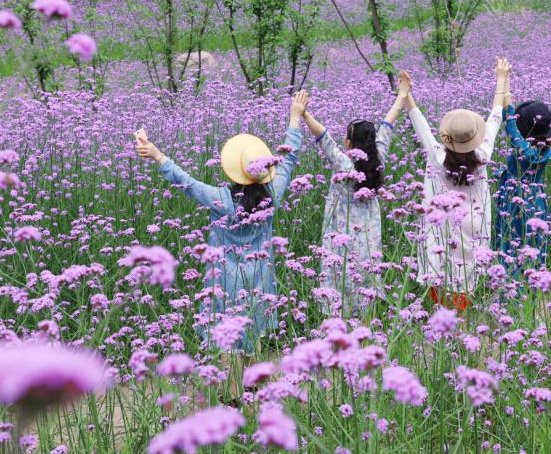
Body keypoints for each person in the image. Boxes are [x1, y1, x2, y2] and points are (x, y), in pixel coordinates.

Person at [134, 91, 309, 352]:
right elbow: (289, 158)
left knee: (225, 341)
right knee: (254, 335)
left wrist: (158, 156)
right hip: (260, 280)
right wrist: (295, 117)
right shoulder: (273, 195)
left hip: (224, 282)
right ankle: (253, 384)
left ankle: (233, 391)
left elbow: (187, 184)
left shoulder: (221, 200)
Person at [301, 71, 411, 316]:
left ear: (350, 143)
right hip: (370, 237)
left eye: (346, 136)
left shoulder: (344, 164)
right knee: (366, 283)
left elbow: (323, 137)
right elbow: (387, 124)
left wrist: (304, 113)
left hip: (343, 235)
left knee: (340, 283)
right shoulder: (378, 157)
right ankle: (366, 328)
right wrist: (402, 95)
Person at [403, 58, 508, 311]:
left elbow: (421, 127)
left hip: (443, 225)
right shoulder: (482, 156)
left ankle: (442, 322)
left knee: (440, 266)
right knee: (466, 272)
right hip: (472, 222)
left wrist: (406, 95)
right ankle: (462, 320)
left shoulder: (438, 156)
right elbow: (495, 116)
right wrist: (502, 77)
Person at [494, 60, 551, 271]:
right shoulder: (549, 144)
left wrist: (505, 78)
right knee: (534, 245)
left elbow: (508, 115)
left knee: (511, 245)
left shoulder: (523, 150)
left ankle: (510, 291)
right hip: (537, 201)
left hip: (513, 200)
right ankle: (533, 290)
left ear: (522, 128)